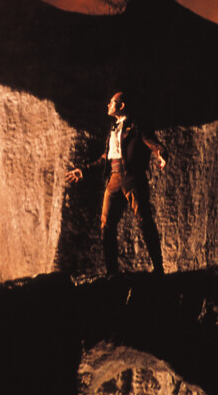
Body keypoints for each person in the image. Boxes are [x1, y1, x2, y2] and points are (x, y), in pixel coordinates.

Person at [66, 92, 168, 276]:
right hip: (114, 178)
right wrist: (84, 170)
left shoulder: (136, 126)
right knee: (106, 224)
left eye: (111, 102)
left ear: (121, 105)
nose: (108, 105)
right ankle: (112, 272)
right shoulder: (113, 129)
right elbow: (106, 157)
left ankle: (158, 268)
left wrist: (161, 153)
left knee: (144, 220)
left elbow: (152, 142)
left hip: (132, 178)